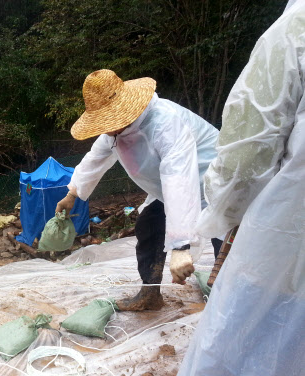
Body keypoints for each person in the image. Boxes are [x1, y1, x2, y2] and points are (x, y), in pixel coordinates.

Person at [164, 1, 305, 376]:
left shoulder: (298, 25)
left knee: (230, 358)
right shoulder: (115, 138)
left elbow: (231, 164)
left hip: (285, 230)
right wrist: (75, 191)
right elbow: (102, 163)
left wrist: (187, 241)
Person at [57, 69, 221, 310]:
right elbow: (95, 158)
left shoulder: (164, 121)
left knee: (224, 240)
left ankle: (230, 302)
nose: (108, 128)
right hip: (169, 189)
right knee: (149, 224)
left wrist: (181, 246)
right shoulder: (115, 132)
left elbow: (179, 177)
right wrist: (72, 194)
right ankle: (150, 294)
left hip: (213, 181)